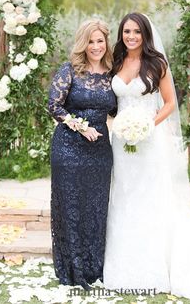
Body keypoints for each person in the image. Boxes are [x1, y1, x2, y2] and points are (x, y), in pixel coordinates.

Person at [103, 12, 190, 300]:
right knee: (122, 196)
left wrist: (149, 124)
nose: (131, 36)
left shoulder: (156, 63)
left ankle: (152, 267)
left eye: (137, 31)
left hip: (149, 143)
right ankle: (120, 265)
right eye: (127, 31)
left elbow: (171, 103)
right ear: (121, 34)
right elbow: (112, 103)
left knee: (149, 199)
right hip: (120, 144)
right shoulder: (117, 63)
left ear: (145, 34)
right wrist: (116, 125)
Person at [48, 19, 116, 290]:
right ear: (83, 43)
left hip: (100, 151)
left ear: (106, 43)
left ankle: (93, 267)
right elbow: (54, 105)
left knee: (95, 208)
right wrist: (80, 126)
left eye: (100, 41)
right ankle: (72, 269)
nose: (96, 46)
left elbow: (117, 111)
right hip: (68, 148)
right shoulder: (70, 71)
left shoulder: (113, 75)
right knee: (71, 207)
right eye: (91, 41)